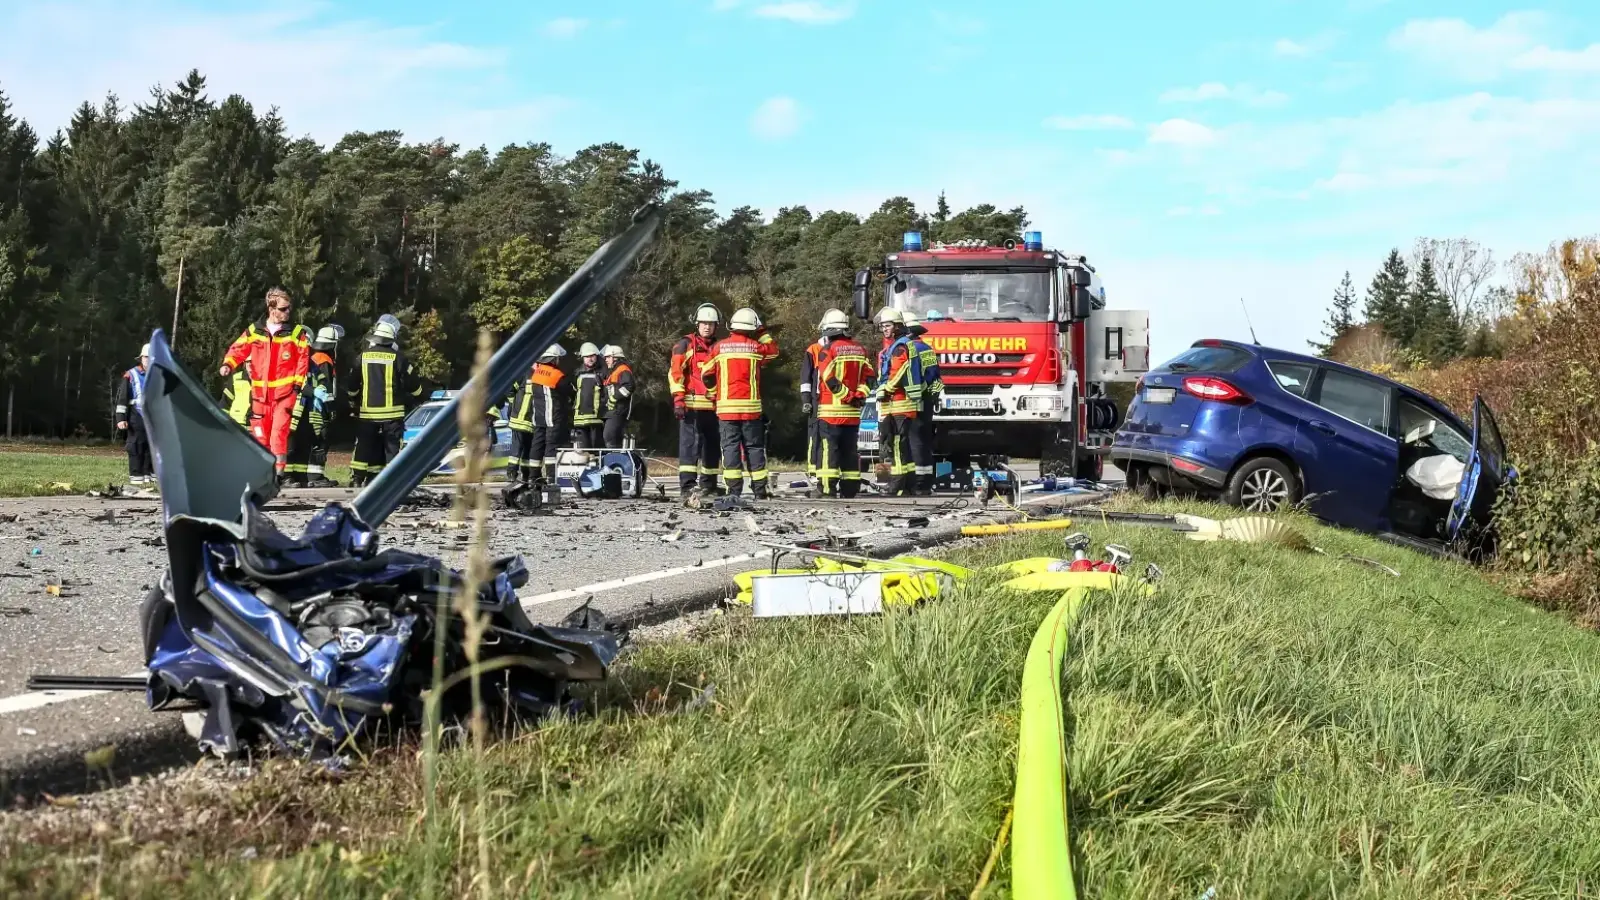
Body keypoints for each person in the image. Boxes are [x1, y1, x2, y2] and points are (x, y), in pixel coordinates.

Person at [220, 288, 311, 478]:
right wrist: (228, 364)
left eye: (289, 308)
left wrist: (296, 387)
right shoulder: (255, 331)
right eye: (284, 309)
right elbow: (238, 349)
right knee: (260, 435)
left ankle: (278, 474)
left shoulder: (296, 333)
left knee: (279, 433)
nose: (288, 312)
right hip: (260, 396)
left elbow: (303, 360)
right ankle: (262, 474)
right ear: (272, 308)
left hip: (285, 395)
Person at [700, 307, 778, 500]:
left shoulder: (719, 348)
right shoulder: (756, 348)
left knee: (730, 448)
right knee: (754, 447)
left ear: (732, 326)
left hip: (727, 409)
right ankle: (760, 490)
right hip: (751, 410)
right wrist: (762, 331)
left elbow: (706, 374)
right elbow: (774, 352)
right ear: (751, 327)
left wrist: (713, 393)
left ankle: (734, 491)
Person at [346, 319, 422, 487]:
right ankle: (392, 481)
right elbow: (414, 385)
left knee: (364, 445)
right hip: (392, 414)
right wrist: (418, 395)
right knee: (393, 448)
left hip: (368, 413)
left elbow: (352, 385)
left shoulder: (362, 357)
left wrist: (354, 399)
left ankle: (357, 478)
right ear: (392, 338)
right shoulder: (398, 358)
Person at [812, 309, 874, 498]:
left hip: (831, 413)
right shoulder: (860, 349)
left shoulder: (827, 351)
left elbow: (829, 380)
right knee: (849, 451)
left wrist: (847, 397)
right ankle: (850, 489)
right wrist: (859, 397)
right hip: (853, 414)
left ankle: (827, 488)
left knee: (829, 450)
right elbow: (870, 377)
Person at [668, 303, 724, 498]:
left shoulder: (718, 347)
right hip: (690, 406)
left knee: (712, 446)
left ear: (716, 326)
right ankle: (688, 486)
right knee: (690, 446)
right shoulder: (685, 344)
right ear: (696, 324)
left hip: (713, 406)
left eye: (710, 323)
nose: (707, 327)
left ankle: (709, 484)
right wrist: (678, 400)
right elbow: (675, 373)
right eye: (703, 323)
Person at [284, 325, 343, 487]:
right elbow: (295, 382)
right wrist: (316, 393)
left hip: (307, 408)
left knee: (304, 442)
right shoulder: (289, 359)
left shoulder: (311, 362)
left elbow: (322, 380)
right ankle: (286, 477)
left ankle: (300, 476)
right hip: (291, 408)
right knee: (291, 444)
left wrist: (322, 390)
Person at [506, 345, 572, 486]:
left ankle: (533, 476)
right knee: (550, 447)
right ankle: (551, 477)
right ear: (554, 359)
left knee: (536, 446)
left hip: (538, 417)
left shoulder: (536, 374)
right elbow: (569, 390)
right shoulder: (557, 375)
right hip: (553, 417)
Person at [874, 307, 924, 496]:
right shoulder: (901, 345)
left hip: (897, 403)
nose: (884, 330)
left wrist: (884, 390)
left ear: (896, 326)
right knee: (903, 446)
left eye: (887, 326)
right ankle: (910, 485)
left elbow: (897, 372)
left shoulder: (899, 347)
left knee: (894, 445)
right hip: (900, 404)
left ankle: (895, 486)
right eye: (882, 327)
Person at [901, 312, 943, 494]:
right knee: (924, 442)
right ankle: (925, 482)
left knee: (913, 442)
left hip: (913, 401)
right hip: (927, 402)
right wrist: (930, 397)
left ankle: (917, 482)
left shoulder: (910, 350)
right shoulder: (927, 349)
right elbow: (937, 380)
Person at [114, 344, 155, 485]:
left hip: (155, 419)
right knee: (136, 446)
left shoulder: (161, 376)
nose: (148, 360)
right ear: (141, 358)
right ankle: (136, 478)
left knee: (153, 448)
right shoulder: (131, 375)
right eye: (146, 357)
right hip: (136, 416)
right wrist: (120, 418)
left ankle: (151, 479)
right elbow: (122, 399)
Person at [800, 323, 830, 489]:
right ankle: (813, 471)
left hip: (833, 401)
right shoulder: (813, 350)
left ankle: (826, 472)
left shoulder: (839, 348)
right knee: (815, 436)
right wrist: (806, 400)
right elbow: (806, 378)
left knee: (829, 439)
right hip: (816, 400)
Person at [571, 341, 607, 449]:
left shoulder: (603, 373)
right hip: (579, 418)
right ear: (582, 358)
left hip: (596, 418)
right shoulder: (577, 373)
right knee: (583, 452)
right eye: (586, 356)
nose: (590, 359)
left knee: (596, 450)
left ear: (596, 356)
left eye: (592, 356)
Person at [601, 344, 633, 449]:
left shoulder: (623, 370)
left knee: (610, 437)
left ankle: (614, 460)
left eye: (608, 357)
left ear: (616, 357)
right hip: (611, 411)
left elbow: (629, 387)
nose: (606, 360)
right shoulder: (613, 371)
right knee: (610, 437)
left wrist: (614, 398)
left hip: (618, 410)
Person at [221, 362, 253, 428]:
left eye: (253, 362)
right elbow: (225, 403)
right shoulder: (236, 378)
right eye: (248, 362)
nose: (250, 366)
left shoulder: (266, 381)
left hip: (256, 429)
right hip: (235, 425)